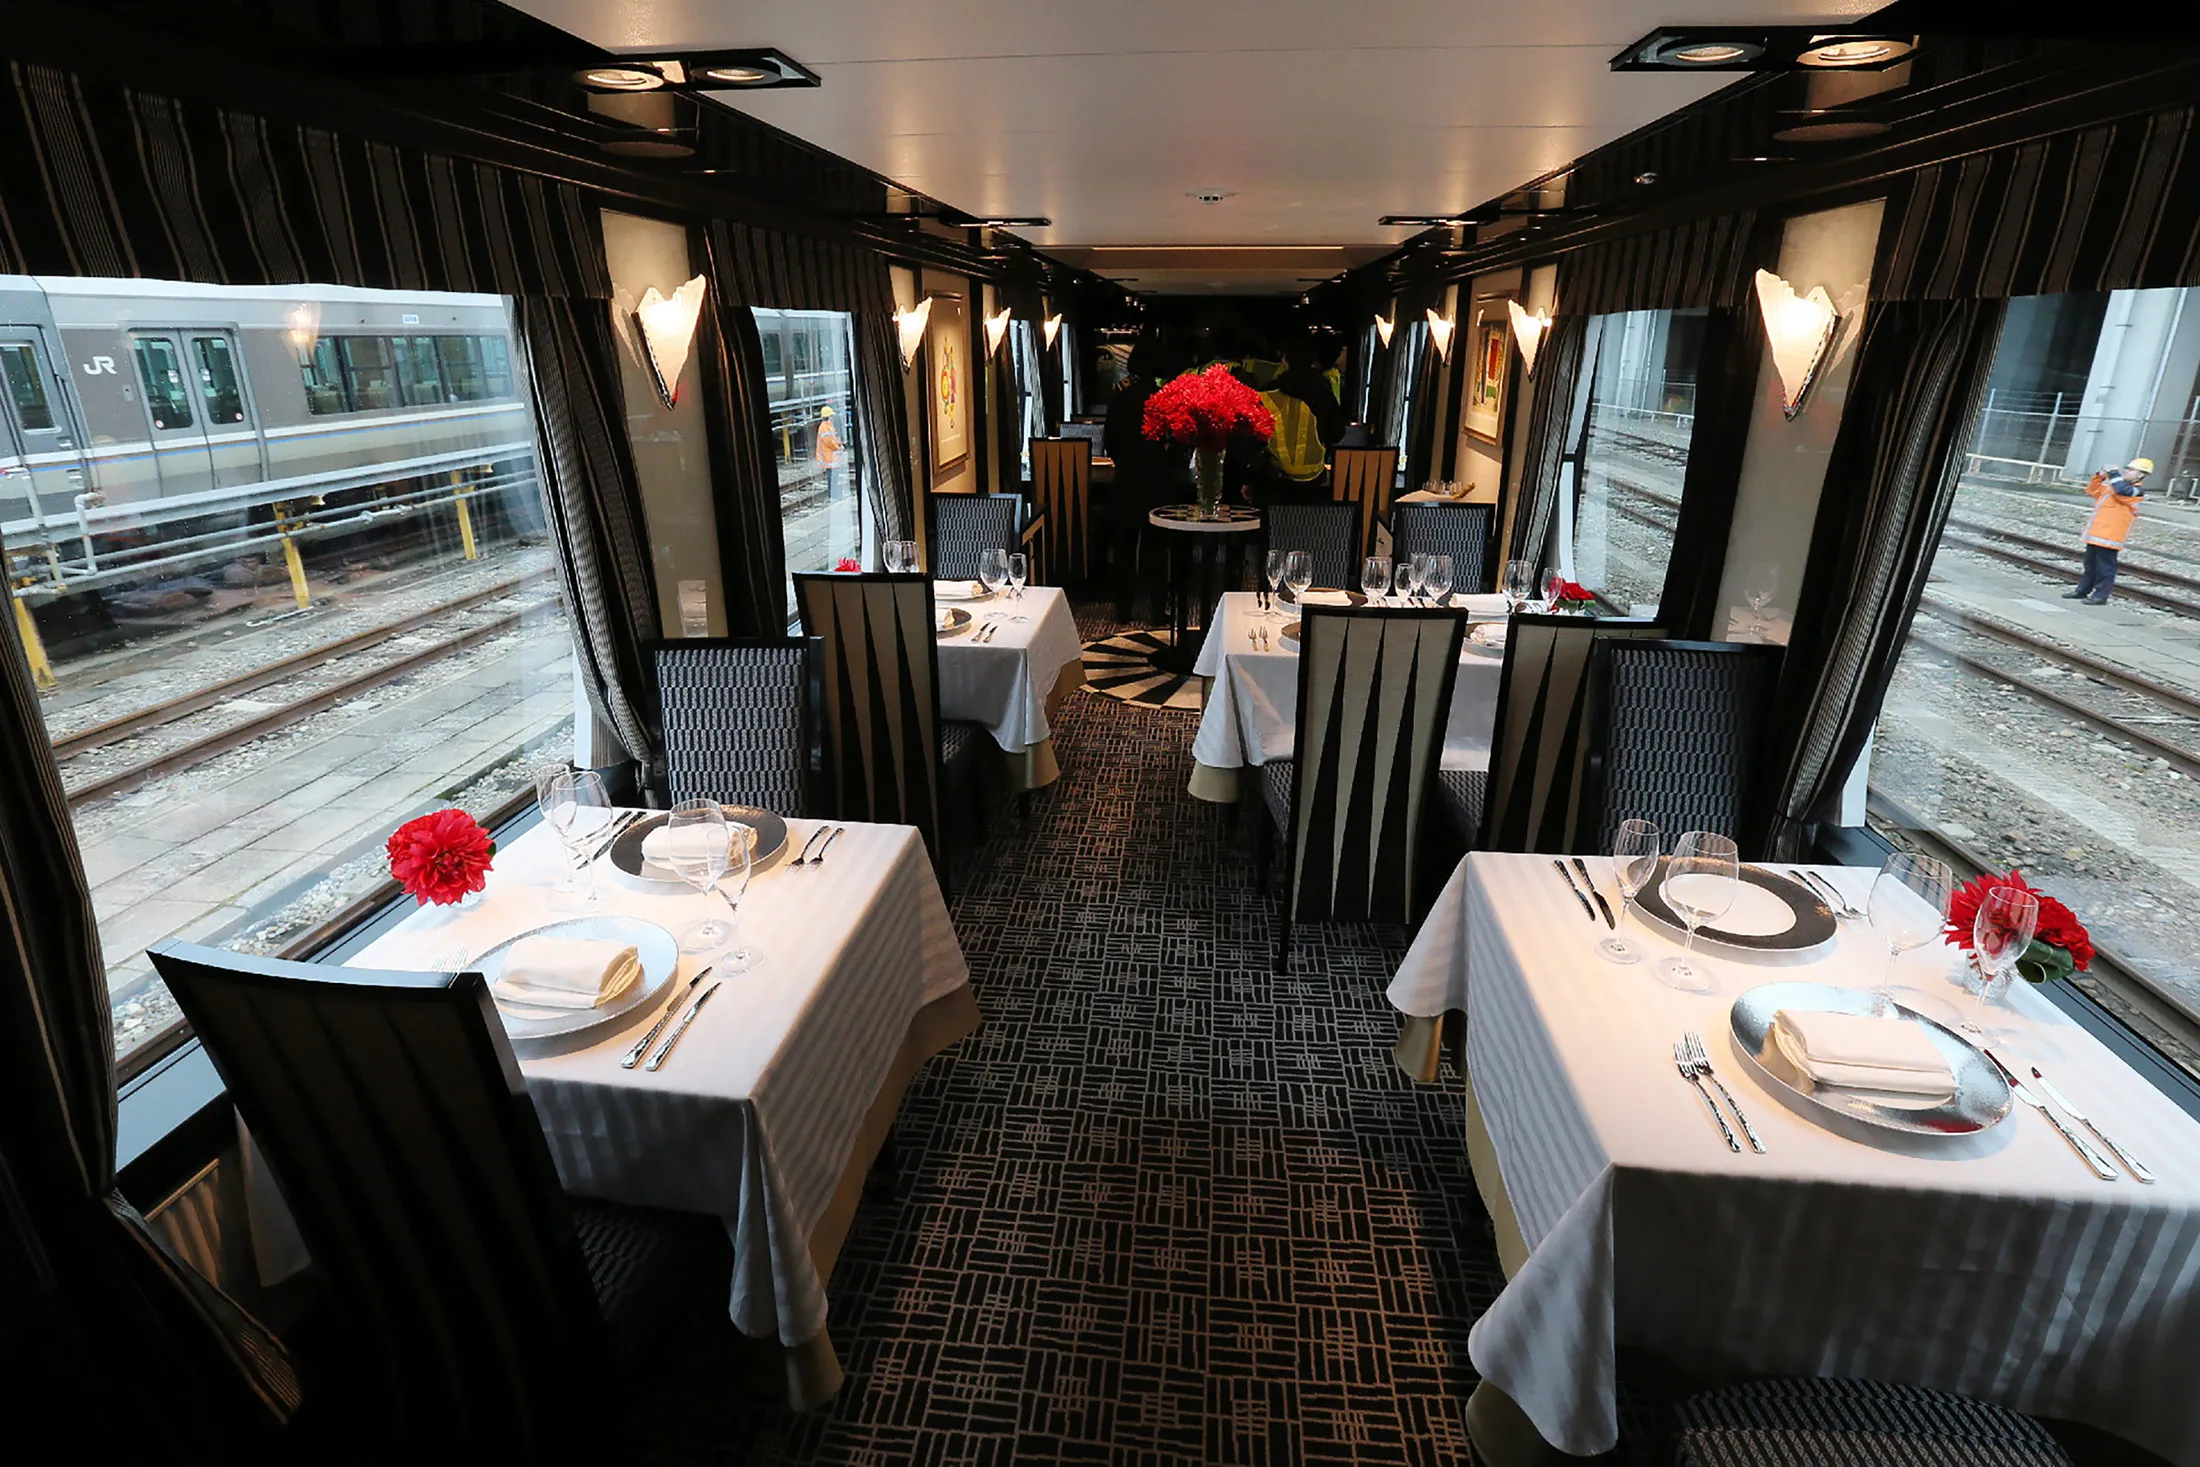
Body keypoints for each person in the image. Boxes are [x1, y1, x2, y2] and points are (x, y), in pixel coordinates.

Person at [1251, 328, 1348, 505]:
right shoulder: (1323, 392)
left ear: (1285, 360)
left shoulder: (1269, 391)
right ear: (1312, 361)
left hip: (1274, 481)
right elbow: (1337, 432)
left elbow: (1254, 437)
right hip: (1315, 479)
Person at [2064, 455, 2152, 605]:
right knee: (2090, 565)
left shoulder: (2136, 491)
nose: (2126, 471)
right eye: (2127, 468)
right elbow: (2092, 490)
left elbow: (2121, 491)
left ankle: (2100, 596)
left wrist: (2113, 474)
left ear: (2140, 475)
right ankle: (2083, 590)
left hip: (2111, 536)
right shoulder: (2114, 486)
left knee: (2105, 568)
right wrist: (2099, 476)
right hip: (2097, 533)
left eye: (2131, 469)